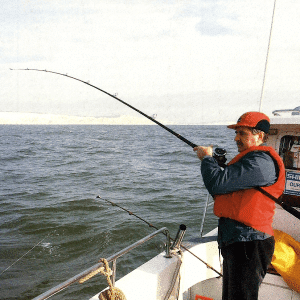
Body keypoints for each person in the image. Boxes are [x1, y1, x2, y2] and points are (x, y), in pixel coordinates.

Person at [194, 111, 286, 300]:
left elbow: (217, 184)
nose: (236, 138)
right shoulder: (250, 160)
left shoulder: (261, 163)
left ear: (260, 136)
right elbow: (222, 192)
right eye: (236, 133)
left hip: (250, 241)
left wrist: (207, 159)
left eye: (242, 133)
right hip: (238, 239)